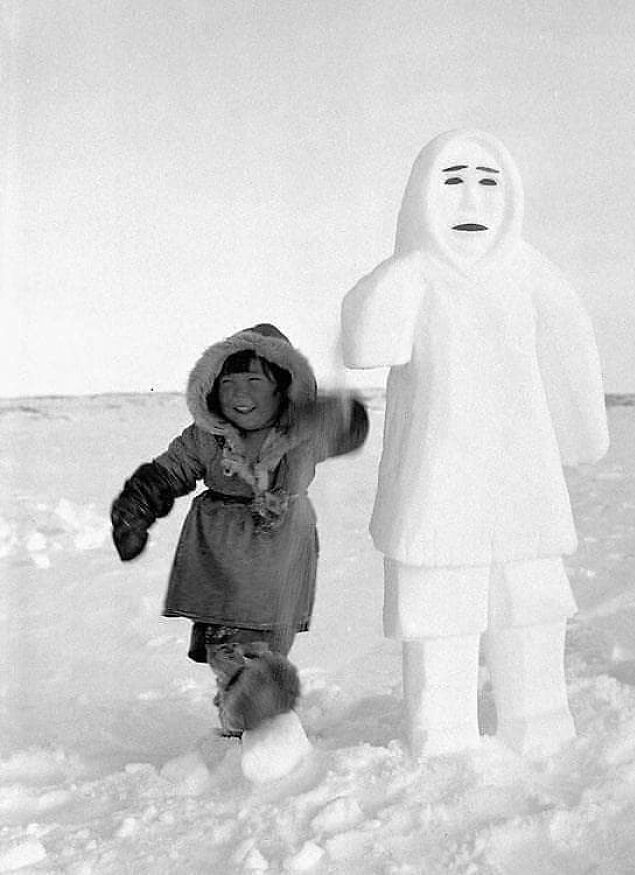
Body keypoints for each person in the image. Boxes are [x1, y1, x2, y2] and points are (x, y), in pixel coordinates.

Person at [342, 130, 609, 757]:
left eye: (488, 182)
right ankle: (442, 731)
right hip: (437, 479)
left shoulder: (531, 273)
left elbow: (572, 350)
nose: (471, 199)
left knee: (531, 605)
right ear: (420, 198)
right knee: (439, 611)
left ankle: (539, 718)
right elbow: (365, 346)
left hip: (523, 479)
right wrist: (401, 266)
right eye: (452, 181)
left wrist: (583, 435)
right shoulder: (414, 278)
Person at [110, 323, 369, 737]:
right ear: (211, 389)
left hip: (281, 552)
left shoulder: (301, 435)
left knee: (266, 641)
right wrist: (135, 507)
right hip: (220, 554)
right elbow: (169, 471)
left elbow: (347, 430)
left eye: (254, 381)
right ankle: (245, 702)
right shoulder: (206, 438)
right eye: (228, 382)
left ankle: (255, 701)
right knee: (225, 641)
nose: (239, 394)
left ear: (282, 389)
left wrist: (336, 413)